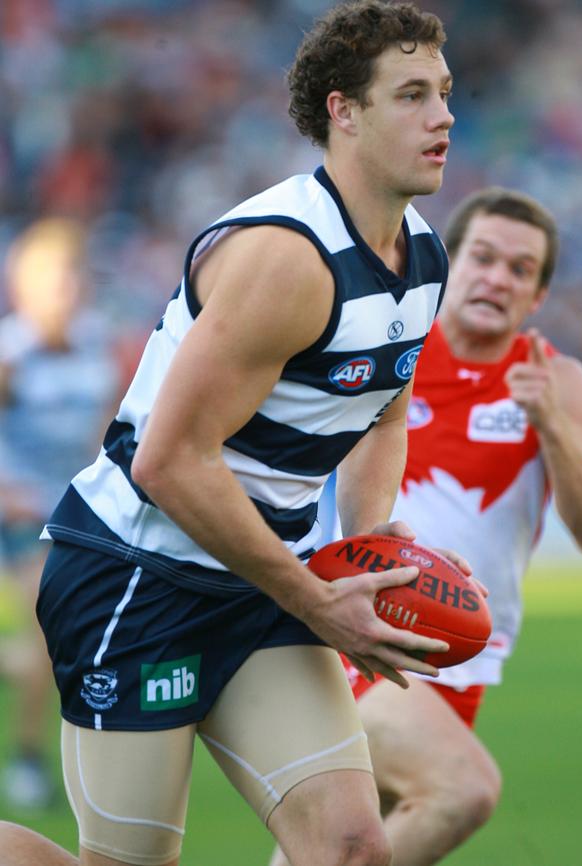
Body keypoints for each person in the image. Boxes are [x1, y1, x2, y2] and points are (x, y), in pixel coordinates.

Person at [4, 2, 462, 864]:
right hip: (133, 580)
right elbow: (169, 461)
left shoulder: (422, 256)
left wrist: (364, 542)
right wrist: (314, 596)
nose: (443, 115)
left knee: (354, 849)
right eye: (411, 94)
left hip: (259, 580)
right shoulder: (286, 257)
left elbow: (385, 409)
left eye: (444, 91)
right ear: (344, 111)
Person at [314, 187, 582, 866]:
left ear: (537, 296)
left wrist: (552, 426)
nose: (496, 277)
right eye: (482, 257)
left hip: (463, 656)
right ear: (450, 261)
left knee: (345, 850)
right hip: (363, 632)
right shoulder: (391, 353)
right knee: (463, 790)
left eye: (519, 269)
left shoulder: (555, 381)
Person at [0, 218, 120, 809]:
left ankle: (37, 755)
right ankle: (26, 762)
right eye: (54, 279)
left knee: (47, 643)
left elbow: (104, 432)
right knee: (47, 636)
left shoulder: (96, 345)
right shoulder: (10, 354)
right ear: (24, 285)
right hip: (17, 511)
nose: (67, 290)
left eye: (73, 277)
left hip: (66, 510)